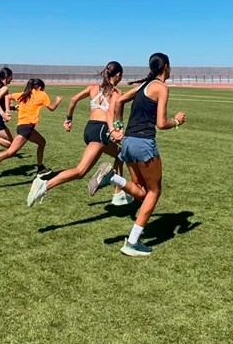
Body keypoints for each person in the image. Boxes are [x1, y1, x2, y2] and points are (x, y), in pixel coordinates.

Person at [93, 53, 186, 257]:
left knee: (142, 192)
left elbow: (118, 101)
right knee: (154, 192)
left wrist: (117, 127)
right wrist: (177, 121)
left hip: (127, 143)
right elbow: (161, 123)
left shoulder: (143, 86)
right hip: (143, 144)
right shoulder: (161, 87)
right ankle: (132, 242)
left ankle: (112, 178)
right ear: (167, 67)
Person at [27, 61, 131, 207]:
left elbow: (73, 99)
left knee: (120, 155)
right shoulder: (117, 93)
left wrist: (68, 119)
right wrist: (119, 130)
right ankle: (44, 185)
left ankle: (117, 193)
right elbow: (116, 117)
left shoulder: (93, 88)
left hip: (89, 130)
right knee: (80, 171)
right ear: (118, 75)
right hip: (102, 131)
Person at [0, 78, 62, 181]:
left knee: (42, 142)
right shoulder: (41, 94)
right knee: (11, 151)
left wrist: (7, 110)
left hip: (23, 126)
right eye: (42, 89)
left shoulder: (25, 94)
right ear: (39, 87)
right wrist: (57, 101)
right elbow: (51, 107)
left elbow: (7, 97)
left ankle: (40, 168)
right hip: (26, 128)